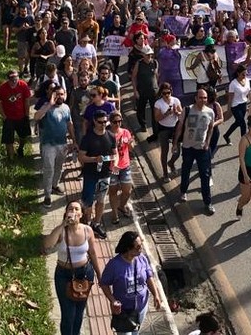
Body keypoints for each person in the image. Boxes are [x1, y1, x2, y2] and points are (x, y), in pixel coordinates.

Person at [42, 200, 103, 335]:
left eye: (76, 209)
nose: (73, 212)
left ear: (81, 214)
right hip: (64, 275)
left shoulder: (87, 230)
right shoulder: (61, 231)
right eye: (70, 209)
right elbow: (47, 245)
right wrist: (63, 224)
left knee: (79, 312)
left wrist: (99, 274)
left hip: (85, 273)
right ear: (66, 213)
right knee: (68, 314)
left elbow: (92, 252)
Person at [99, 231, 162, 335]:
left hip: (141, 307)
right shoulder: (114, 265)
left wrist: (156, 295)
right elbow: (104, 283)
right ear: (128, 248)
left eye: (141, 245)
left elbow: (149, 277)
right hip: (123, 312)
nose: (141, 249)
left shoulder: (142, 258)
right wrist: (112, 300)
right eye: (138, 247)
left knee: (136, 331)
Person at [174, 89, 216, 216]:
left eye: (205, 98)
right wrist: (175, 143)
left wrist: (207, 142)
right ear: (196, 98)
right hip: (188, 147)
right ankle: (183, 191)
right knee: (186, 169)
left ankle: (207, 203)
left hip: (202, 149)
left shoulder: (210, 112)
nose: (203, 100)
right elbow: (180, 127)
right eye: (200, 97)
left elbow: (210, 129)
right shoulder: (187, 110)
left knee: (205, 175)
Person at [33, 84, 75, 206]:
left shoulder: (66, 108)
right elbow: (36, 117)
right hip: (48, 145)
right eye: (57, 94)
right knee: (49, 169)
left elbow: (69, 123)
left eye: (62, 94)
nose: (60, 96)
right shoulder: (46, 106)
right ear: (52, 95)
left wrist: (74, 140)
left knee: (59, 168)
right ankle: (47, 195)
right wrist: (50, 104)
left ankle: (54, 185)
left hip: (62, 144)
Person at [77, 109, 115, 239]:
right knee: (88, 201)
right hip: (90, 175)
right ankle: (86, 223)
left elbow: (114, 152)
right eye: (100, 122)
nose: (103, 124)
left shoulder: (111, 136)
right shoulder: (88, 138)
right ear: (94, 121)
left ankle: (96, 223)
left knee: (101, 200)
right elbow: (81, 157)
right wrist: (94, 159)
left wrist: (114, 161)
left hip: (105, 175)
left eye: (105, 122)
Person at [0, 70, 32, 159]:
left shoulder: (23, 85)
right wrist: (3, 116)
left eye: (16, 78)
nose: (14, 81)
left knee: (24, 136)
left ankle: (20, 148)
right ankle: (11, 158)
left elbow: (27, 100)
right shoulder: (2, 88)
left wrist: (27, 114)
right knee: (8, 140)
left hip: (21, 116)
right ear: (8, 79)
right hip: (9, 118)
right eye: (12, 79)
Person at [107, 111, 135, 225]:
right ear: (111, 122)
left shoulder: (125, 132)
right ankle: (114, 213)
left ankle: (121, 206)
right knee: (113, 191)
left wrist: (129, 143)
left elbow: (131, 149)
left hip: (125, 166)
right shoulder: (107, 134)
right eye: (115, 122)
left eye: (119, 121)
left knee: (127, 190)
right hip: (112, 168)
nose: (118, 124)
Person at [153, 83, 182, 179]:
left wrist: (176, 113)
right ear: (161, 93)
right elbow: (157, 118)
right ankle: (165, 173)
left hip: (175, 128)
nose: (166, 95)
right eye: (164, 93)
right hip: (163, 129)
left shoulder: (176, 100)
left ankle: (171, 163)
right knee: (164, 151)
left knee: (177, 151)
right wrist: (166, 114)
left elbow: (181, 114)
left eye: (168, 92)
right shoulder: (158, 103)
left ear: (171, 91)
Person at [131, 45, 159, 137]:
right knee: (140, 109)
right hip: (142, 90)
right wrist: (135, 91)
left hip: (153, 91)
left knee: (154, 111)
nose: (149, 56)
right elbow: (134, 77)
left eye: (150, 54)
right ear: (143, 55)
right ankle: (143, 125)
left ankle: (155, 130)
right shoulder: (139, 63)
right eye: (147, 55)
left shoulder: (154, 62)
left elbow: (156, 76)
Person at [223, 64, 251, 145]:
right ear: (238, 73)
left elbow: (249, 93)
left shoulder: (247, 80)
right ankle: (244, 144)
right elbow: (230, 98)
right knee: (243, 124)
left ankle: (226, 135)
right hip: (235, 106)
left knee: (238, 122)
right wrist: (229, 110)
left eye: (246, 73)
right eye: (243, 74)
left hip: (243, 104)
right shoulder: (233, 84)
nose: (245, 75)